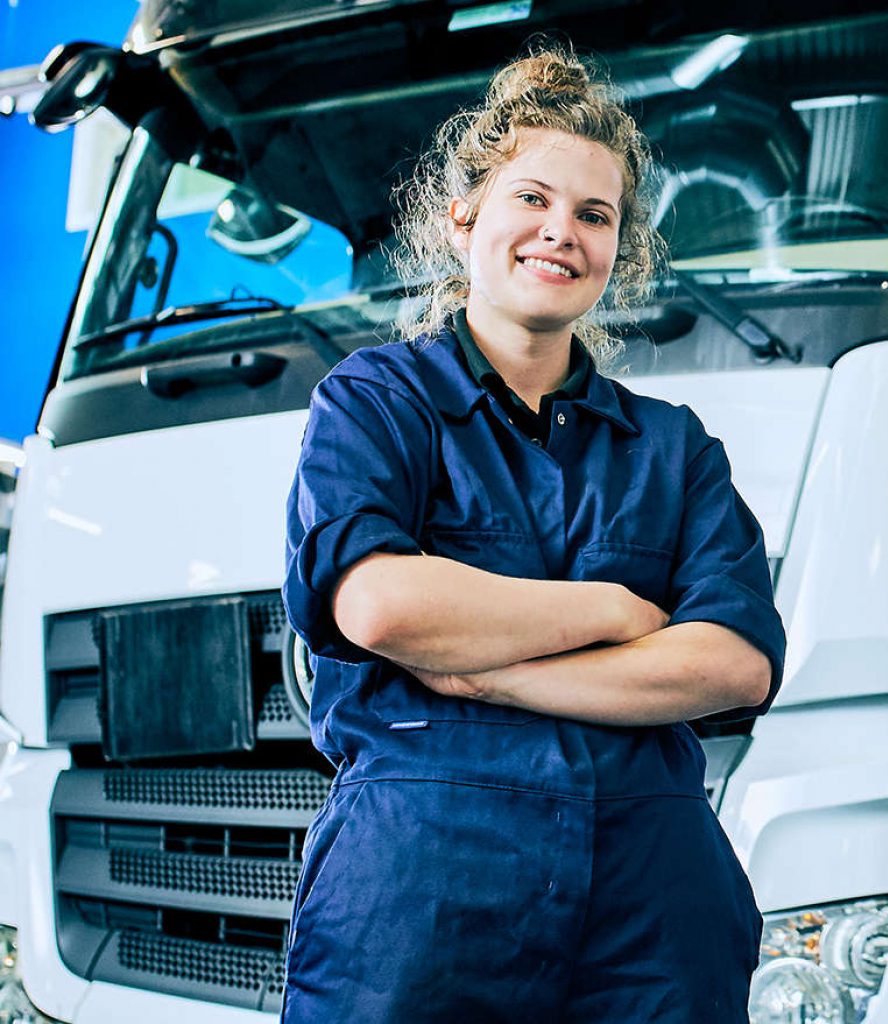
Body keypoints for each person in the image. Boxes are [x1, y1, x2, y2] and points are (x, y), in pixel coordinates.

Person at [282, 43, 786, 1024]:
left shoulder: (673, 447)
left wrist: (483, 669)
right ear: (463, 216)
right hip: (422, 898)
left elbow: (731, 663)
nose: (561, 232)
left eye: (593, 216)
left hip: (653, 913)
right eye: (532, 200)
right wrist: (610, 609)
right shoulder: (376, 402)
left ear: (617, 248)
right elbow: (382, 602)